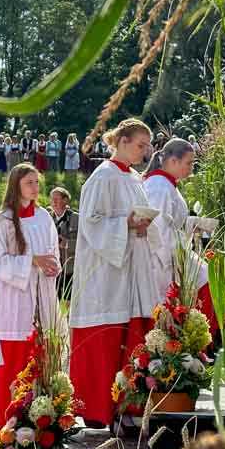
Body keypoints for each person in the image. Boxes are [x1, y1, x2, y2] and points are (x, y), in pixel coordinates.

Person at [68, 118, 160, 429]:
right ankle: (101, 410)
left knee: (132, 340)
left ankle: (128, 408)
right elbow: (92, 223)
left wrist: (144, 224)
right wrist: (126, 223)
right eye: (140, 145)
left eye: (147, 146)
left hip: (133, 269)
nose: (145, 151)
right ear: (121, 141)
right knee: (108, 341)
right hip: (105, 276)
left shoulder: (135, 178)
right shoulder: (103, 176)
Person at [0, 163, 60, 426]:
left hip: (43, 298)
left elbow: (54, 252)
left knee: (42, 361)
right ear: (16, 184)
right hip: (14, 303)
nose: (35, 187)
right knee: (13, 365)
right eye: (29, 182)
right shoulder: (3, 220)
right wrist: (31, 261)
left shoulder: (44, 217)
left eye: (37, 182)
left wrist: (50, 265)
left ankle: (40, 425)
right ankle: (5, 426)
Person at [144, 138, 218, 336]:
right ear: (173, 161)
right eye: (189, 163)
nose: (191, 168)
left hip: (174, 253)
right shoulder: (159, 186)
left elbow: (171, 223)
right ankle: (197, 340)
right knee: (204, 285)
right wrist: (175, 260)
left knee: (206, 282)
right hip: (162, 261)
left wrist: (194, 223)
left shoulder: (166, 184)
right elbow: (157, 227)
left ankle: (197, 340)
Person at [49, 186, 79, 298]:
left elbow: (86, 244)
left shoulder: (77, 219)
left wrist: (67, 244)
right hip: (53, 270)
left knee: (70, 304)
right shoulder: (47, 219)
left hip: (71, 270)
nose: (53, 202)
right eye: (52, 199)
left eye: (56, 199)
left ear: (65, 200)